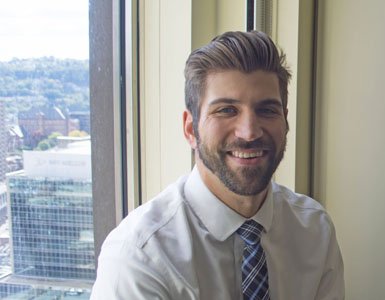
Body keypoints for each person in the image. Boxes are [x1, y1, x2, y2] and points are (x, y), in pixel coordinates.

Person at [90, 31, 344, 300]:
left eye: (267, 110)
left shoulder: (314, 230)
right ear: (190, 129)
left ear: (286, 121)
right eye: (226, 110)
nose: (249, 132)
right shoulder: (140, 255)